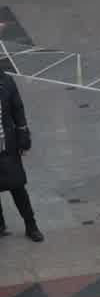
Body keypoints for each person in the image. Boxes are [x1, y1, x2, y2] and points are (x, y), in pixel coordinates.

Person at [0, 67, 40, 243]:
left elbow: (18, 109)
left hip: (6, 145)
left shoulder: (6, 82)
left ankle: (31, 224)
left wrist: (23, 137)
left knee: (17, 186)